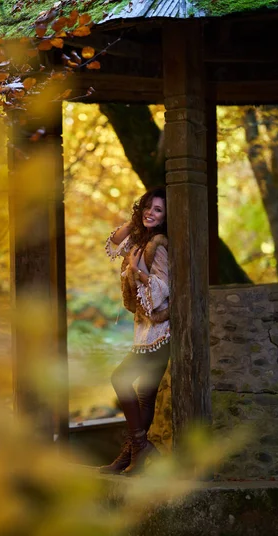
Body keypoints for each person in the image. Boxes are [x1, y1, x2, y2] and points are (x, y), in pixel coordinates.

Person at [100, 187, 170, 476]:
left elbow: (164, 289)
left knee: (120, 378)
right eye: (147, 207)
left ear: (166, 217)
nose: (150, 213)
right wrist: (136, 217)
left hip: (162, 331)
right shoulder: (141, 240)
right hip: (145, 331)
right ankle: (132, 456)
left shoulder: (159, 245)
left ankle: (140, 448)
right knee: (144, 395)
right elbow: (112, 243)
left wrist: (136, 270)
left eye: (158, 210)